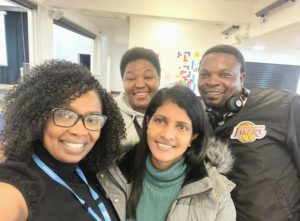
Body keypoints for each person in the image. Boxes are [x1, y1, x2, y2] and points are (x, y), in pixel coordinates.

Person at [0, 60, 126, 221]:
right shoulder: (17, 185)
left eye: (93, 118)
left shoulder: (90, 172)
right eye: (65, 115)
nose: (80, 131)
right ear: (39, 117)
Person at [98, 85, 236, 221]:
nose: (167, 134)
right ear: (148, 122)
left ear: (193, 137)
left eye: (181, 127)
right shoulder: (112, 176)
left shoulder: (217, 194)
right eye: (160, 120)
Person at [197, 44, 300, 221]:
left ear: (242, 78)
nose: (212, 81)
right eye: (204, 74)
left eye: (224, 74)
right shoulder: (199, 120)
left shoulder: (282, 107)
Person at [116, 47, 161, 154]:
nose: (140, 84)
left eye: (148, 77)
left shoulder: (170, 112)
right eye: (131, 78)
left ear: (159, 78)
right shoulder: (110, 116)